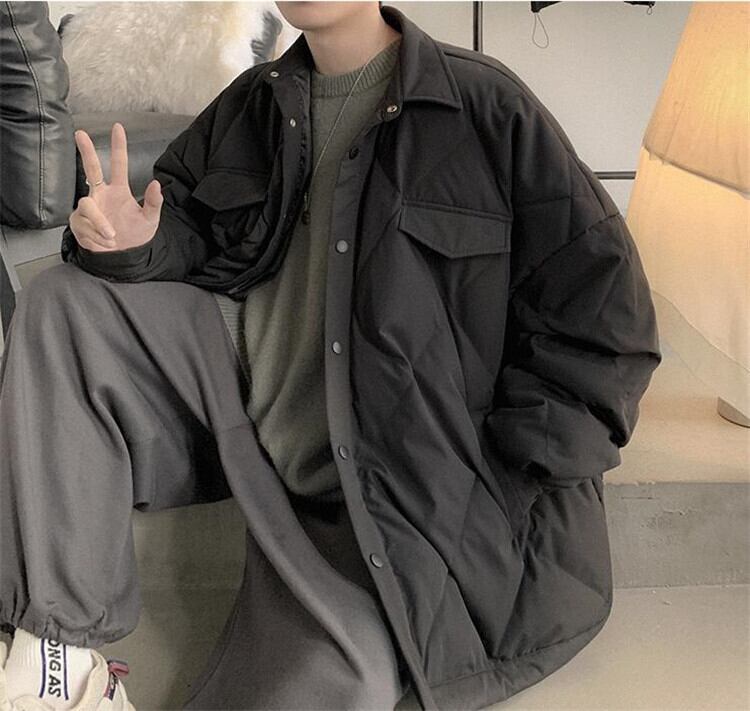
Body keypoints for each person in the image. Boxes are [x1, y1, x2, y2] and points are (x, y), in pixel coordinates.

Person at [0, 2, 662, 710]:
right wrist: (135, 246)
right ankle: (58, 660)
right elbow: (189, 229)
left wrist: (506, 471)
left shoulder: (485, 107)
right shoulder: (255, 103)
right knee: (63, 299)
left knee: (347, 683)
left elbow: (606, 317)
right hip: (239, 412)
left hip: (394, 493)